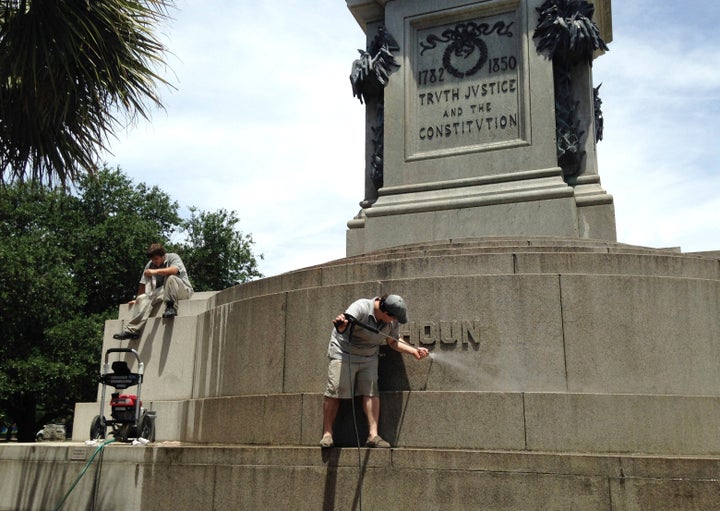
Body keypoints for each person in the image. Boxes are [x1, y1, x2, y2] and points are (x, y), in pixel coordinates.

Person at [320, 294, 429, 448]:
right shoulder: (361, 307)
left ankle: (373, 435)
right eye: (393, 318)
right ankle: (327, 434)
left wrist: (413, 351)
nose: (394, 321)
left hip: (369, 356)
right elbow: (343, 325)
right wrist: (342, 325)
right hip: (343, 352)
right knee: (335, 390)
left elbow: (393, 341)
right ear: (386, 313)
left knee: (371, 392)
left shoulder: (392, 321)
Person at [113, 243, 194, 340]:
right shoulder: (150, 264)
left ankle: (171, 307)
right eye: (152, 260)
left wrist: (154, 271)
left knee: (170, 277)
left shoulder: (173, 257)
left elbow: (174, 270)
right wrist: (137, 299)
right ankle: (132, 331)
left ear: (163, 255)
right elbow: (143, 283)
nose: (154, 262)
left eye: (156, 259)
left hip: (182, 290)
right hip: (164, 291)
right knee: (144, 298)